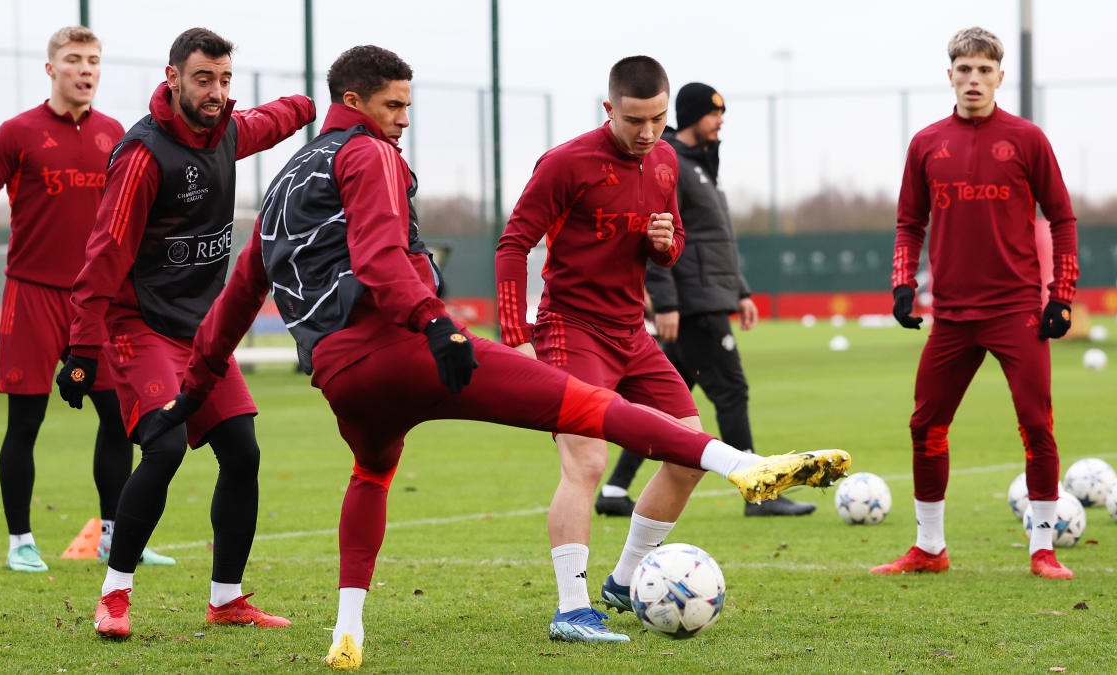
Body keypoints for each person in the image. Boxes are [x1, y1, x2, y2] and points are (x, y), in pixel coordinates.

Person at [138, 45, 848, 669]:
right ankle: (742, 467)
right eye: (395, 106)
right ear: (354, 102)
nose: (405, 120)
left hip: (340, 377)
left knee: (371, 473)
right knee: (595, 419)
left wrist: (190, 391)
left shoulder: (285, 184)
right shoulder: (371, 153)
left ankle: (347, 630)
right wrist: (443, 324)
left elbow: (233, 301)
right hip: (419, 345)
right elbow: (391, 257)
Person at [495, 56, 843, 643]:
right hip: (570, 328)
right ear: (609, 109)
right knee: (586, 462)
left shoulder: (663, 161)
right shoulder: (565, 163)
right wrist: (514, 332)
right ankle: (572, 609)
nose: (649, 132)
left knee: (687, 453)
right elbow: (514, 243)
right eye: (635, 120)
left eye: (658, 118)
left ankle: (623, 581)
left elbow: (672, 243)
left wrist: (664, 243)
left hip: (632, 332)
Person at [56, 27, 316, 637]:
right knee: (166, 447)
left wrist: (319, 104)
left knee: (243, 453)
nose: (218, 92)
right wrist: (80, 350)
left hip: (200, 331)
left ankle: (226, 599)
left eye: (226, 80)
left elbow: (275, 119)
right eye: (204, 79)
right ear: (172, 77)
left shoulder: (225, 129)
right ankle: (114, 597)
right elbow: (104, 257)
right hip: (139, 325)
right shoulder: (144, 156)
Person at [0, 26, 174, 573]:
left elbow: (141, 214)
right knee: (24, 424)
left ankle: (115, 536)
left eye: (93, 61)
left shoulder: (118, 133)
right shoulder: (17, 133)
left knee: (117, 419)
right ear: (51, 69)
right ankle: (20, 540)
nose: (85, 70)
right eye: (74, 60)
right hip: (30, 297)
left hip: (96, 302)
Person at [876, 27, 1078, 580]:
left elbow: (1062, 218)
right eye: (964, 69)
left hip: (1017, 312)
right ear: (950, 75)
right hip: (953, 317)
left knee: (1037, 426)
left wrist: (1060, 295)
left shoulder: (1027, 139)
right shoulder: (927, 143)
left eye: (984, 70)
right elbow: (908, 222)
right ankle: (929, 548)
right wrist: (902, 284)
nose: (973, 79)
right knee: (926, 426)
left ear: (999, 77)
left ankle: (1043, 549)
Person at [595, 83, 816, 518]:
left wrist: (742, 290)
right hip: (693, 303)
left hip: (709, 295)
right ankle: (761, 490)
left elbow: (717, 240)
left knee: (668, 404)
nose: (721, 121)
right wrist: (666, 301)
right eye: (714, 113)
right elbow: (657, 233)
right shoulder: (670, 161)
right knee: (731, 390)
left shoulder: (700, 166)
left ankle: (617, 490)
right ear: (695, 116)